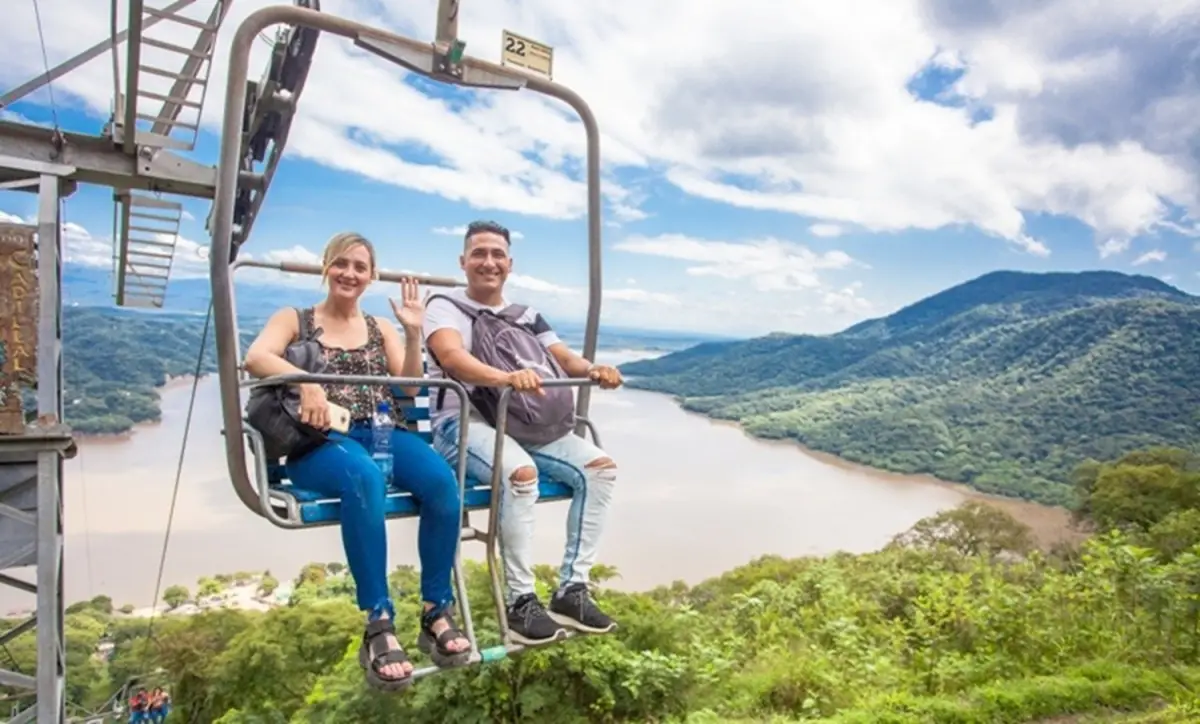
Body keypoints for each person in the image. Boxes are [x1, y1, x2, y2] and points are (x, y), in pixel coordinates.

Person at [244, 231, 470, 691]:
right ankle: (379, 620)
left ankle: (435, 610)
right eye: (341, 264)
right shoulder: (296, 320)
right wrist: (306, 381)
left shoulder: (378, 328)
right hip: (320, 441)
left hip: (383, 431)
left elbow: (407, 390)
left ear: (370, 276)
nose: (350, 273)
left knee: (444, 483)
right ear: (326, 267)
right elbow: (256, 357)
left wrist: (410, 332)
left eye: (360, 267)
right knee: (364, 478)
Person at [424, 220, 624, 645]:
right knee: (520, 475)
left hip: (523, 421)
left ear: (509, 264)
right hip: (464, 423)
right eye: (479, 253)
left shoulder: (526, 316)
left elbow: (563, 359)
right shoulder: (444, 307)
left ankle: (572, 589)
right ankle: (520, 601)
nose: (488, 262)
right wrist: (504, 377)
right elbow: (452, 358)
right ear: (463, 261)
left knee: (601, 469)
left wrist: (593, 370)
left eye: (497, 255)